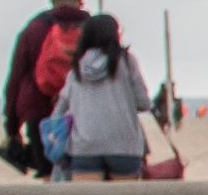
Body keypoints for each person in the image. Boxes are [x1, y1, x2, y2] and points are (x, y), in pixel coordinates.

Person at [49, 14, 158, 180]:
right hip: (124, 144)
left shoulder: (77, 66)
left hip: (84, 144)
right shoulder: (127, 60)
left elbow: (60, 108)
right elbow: (143, 103)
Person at [1, 0, 89, 178]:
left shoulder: (34, 28)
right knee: (84, 173)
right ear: (81, 1)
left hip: (39, 110)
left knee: (47, 172)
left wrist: (12, 127)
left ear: (52, 0)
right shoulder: (95, 28)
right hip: (81, 110)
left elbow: (15, 78)